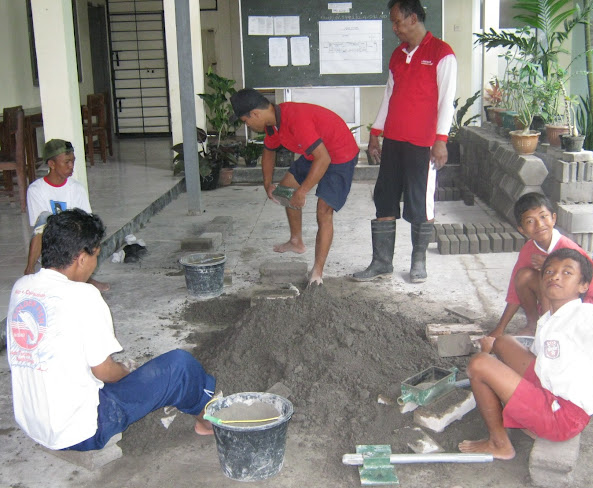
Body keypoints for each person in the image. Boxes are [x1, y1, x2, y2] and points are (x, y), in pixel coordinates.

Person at [7, 209, 216, 451]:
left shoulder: (21, 288)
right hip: (80, 431)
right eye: (95, 255)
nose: (94, 264)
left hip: (34, 425)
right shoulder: (84, 295)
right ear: (82, 258)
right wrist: (131, 374)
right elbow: (104, 372)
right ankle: (207, 421)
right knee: (180, 365)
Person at [459, 249, 593, 460]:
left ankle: (499, 443)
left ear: (583, 286)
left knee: (479, 364)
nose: (555, 276)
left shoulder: (586, 315)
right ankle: (528, 417)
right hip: (548, 388)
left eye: (567, 272)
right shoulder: (550, 317)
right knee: (502, 342)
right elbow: (539, 361)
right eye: (549, 271)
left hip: (563, 416)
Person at [352, 0, 457, 283]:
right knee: (384, 199)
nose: (394, 28)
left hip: (424, 144)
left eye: (397, 21)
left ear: (412, 19)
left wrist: (441, 140)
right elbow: (389, 95)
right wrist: (375, 133)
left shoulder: (442, 53)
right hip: (394, 142)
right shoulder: (398, 55)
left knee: (420, 204)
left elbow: (447, 101)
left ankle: (418, 261)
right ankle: (381, 262)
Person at [230, 88, 360, 285]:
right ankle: (296, 241)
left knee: (324, 212)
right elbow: (269, 151)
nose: (247, 125)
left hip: (339, 154)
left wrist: (302, 191)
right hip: (315, 153)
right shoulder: (273, 124)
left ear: (255, 113)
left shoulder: (296, 120)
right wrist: (267, 184)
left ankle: (317, 273)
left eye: (245, 121)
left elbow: (323, 159)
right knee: (285, 189)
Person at [489, 193, 593, 337]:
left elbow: (592, 287)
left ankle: (550, 332)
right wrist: (500, 328)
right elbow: (515, 290)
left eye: (543, 216)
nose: (539, 225)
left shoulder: (568, 248)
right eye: (530, 221)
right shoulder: (528, 250)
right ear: (521, 229)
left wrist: (550, 267)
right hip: (553, 304)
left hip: (583, 304)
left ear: (554, 218)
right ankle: (534, 325)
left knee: (549, 278)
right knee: (524, 275)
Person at [24, 139, 109, 292]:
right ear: (52, 164)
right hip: (51, 242)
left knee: (90, 231)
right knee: (43, 218)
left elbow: (84, 219)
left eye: (73, 161)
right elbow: (42, 226)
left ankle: (86, 278)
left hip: (72, 239)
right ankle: (29, 271)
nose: (71, 166)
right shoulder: (36, 190)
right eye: (67, 162)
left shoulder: (76, 188)